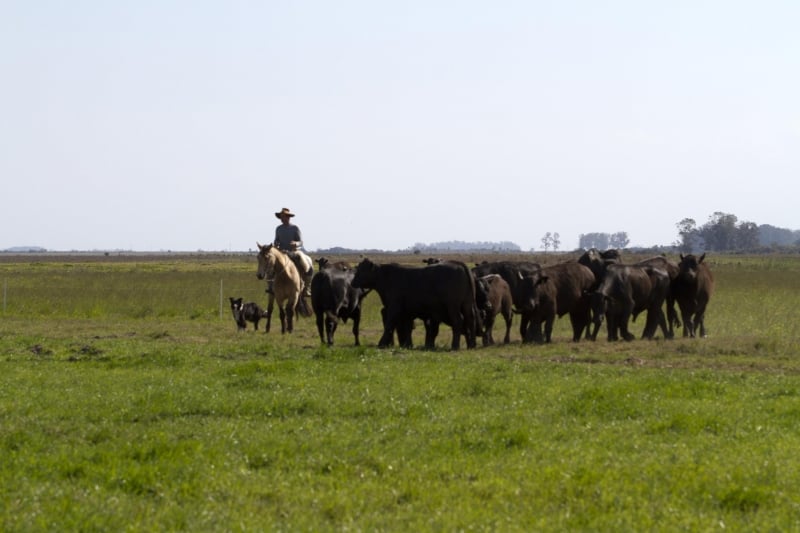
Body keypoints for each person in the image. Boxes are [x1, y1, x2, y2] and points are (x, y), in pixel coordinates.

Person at [272, 207, 313, 297]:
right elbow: (276, 240)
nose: (282, 219)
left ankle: (306, 288)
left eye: (284, 216)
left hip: (293, 252)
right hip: (282, 252)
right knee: (271, 264)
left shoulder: (295, 228)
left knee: (306, 263)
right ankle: (272, 286)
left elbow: (301, 242)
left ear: (288, 217)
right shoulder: (278, 229)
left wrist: (296, 243)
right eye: (281, 217)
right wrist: (276, 244)